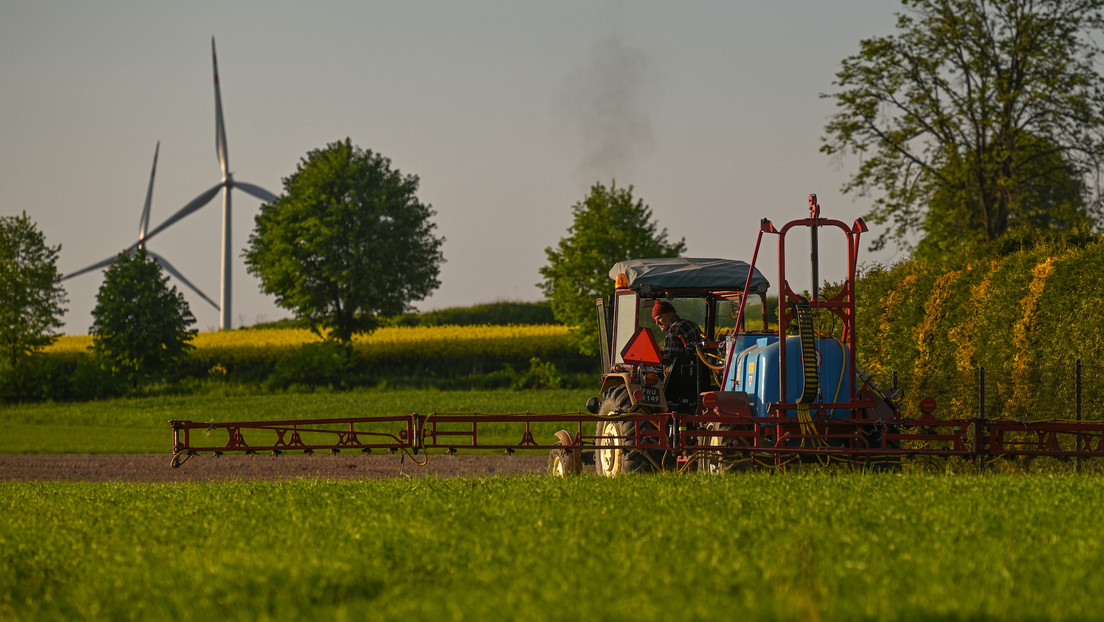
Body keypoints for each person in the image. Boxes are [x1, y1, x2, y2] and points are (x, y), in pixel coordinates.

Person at [652, 300, 704, 410]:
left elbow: (670, 358)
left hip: (678, 386)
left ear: (671, 315)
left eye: (659, 318)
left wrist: (651, 356)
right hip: (700, 381)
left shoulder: (674, 329)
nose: (657, 323)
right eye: (655, 320)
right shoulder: (692, 324)